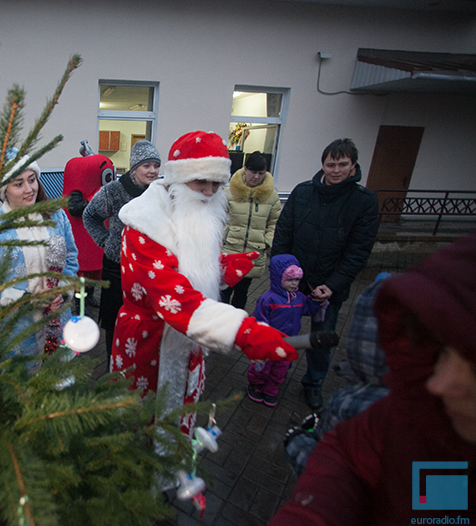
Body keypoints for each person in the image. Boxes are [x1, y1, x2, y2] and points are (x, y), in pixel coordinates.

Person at [265, 233, 476, 526]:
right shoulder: (421, 423)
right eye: (442, 356)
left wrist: (296, 442)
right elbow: (346, 465)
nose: (440, 385)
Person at [111, 131, 298, 435]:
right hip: (148, 341)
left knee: (178, 414)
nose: (209, 192)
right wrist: (242, 331)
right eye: (200, 182)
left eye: (216, 184)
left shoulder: (188, 211)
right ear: (176, 179)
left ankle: (173, 472)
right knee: (143, 425)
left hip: (188, 335)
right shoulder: (144, 227)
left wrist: (220, 268)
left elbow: (185, 268)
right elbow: (172, 292)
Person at [271, 138, 379, 410]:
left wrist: (332, 285)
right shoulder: (303, 192)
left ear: (353, 166)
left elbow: (358, 251)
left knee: (321, 338)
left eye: (343, 164)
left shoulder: (364, 201)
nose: (336, 170)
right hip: (292, 282)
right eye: (331, 164)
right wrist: (280, 276)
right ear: (323, 165)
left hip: (328, 287)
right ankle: (271, 374)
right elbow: (283, 234)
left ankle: (313, 384)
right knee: (280, 331)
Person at [283, 275, 390, 476]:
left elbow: (330, 472)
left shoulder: (362, 405)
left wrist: (296, 443)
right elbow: (446, 501)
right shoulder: (446, 421)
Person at [0, 156, 78, 358]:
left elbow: (71, 256)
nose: (29, 189)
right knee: (23, 383)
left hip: (58, 317)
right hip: (18, 328)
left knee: (60, 376)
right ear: (4, 190)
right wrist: (28, 301)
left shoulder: (56, 215)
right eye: (18, 184)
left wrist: (63, 291)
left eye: (32, 179)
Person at [83, 140, 160, 354]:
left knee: (143, 319)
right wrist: (105, 240)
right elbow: (90, 216)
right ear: (135, 167)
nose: (153, 171)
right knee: (114, 319)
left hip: (147, 267)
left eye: (156, 165)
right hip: (117, 266)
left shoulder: (160, 192)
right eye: (147, 166)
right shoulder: (113, 191)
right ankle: (112, 362)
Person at [247, 255, 320, 407]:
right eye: (290, 280)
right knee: (262, 367)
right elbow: (260, 321)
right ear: (278, 278)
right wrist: (264, 339)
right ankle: (256, 385)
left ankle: (271, 390)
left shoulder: (299, 298)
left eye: (297, 280)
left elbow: (307, 309)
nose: (294, 284)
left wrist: (314, 301)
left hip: (289, 343)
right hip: (269, 343)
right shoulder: (268, 299)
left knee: (280, 369)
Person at [220, 151, 282, 309]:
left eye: (261, 173)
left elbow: (275, 223)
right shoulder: (228, 193)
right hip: (229, 251)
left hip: (254, 252)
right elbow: (218, 220)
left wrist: (266, 242)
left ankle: (237, 325)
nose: (256, 177)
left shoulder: (272, 197)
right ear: (245, 169)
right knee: (224, 292)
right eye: (253, 172)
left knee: (242, 293)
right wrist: (221, 241)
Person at [63, 144, 115, 309]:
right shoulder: (77, 192)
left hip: (95, 240)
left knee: (94, 272)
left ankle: (90, 296)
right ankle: (79, 302)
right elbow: (75, 209)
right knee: (82, 275)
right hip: (82, 242)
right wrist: (96, 196)